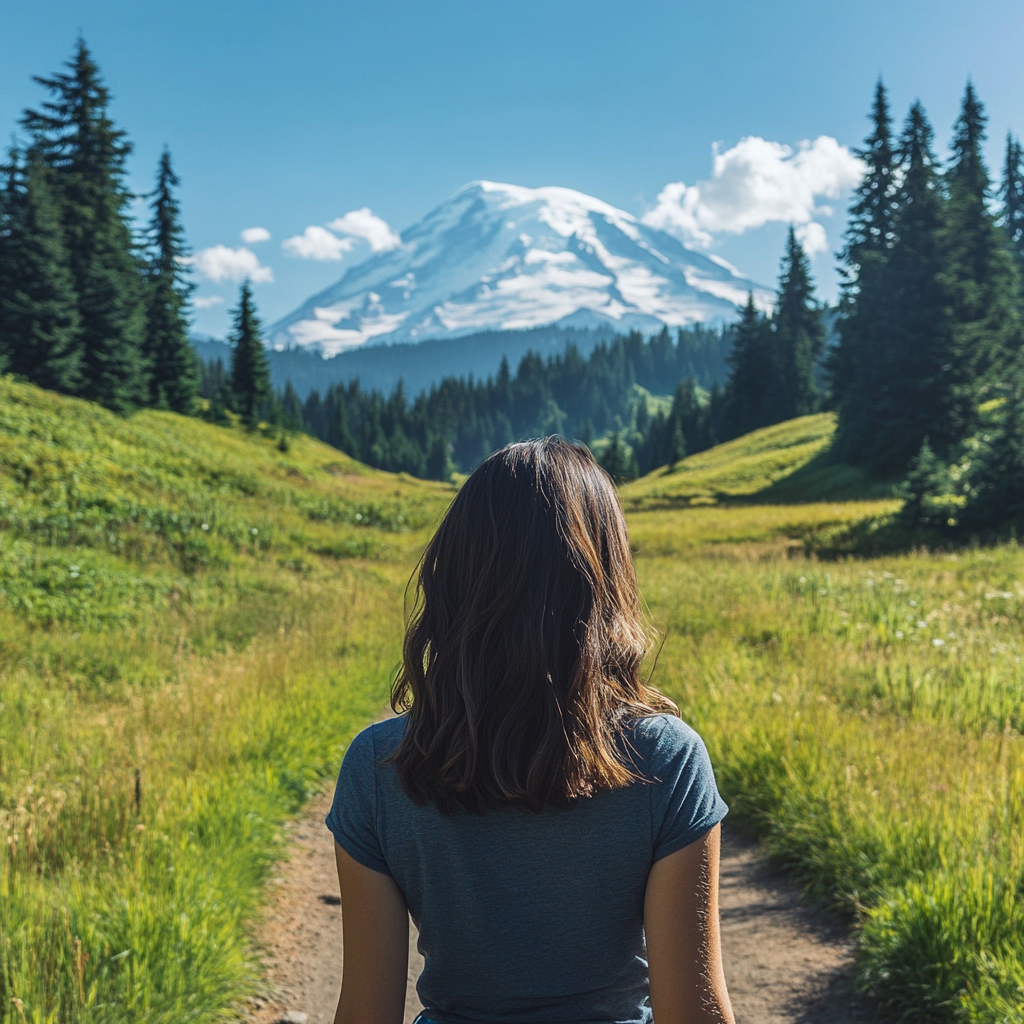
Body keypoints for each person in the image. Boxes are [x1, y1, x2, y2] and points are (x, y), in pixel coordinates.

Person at [326, 437, 734, 1024]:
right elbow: (696, 1015)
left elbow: (365, 1013)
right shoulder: (666, 759)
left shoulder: (379, 765)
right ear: (604, 582)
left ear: (457, 576)